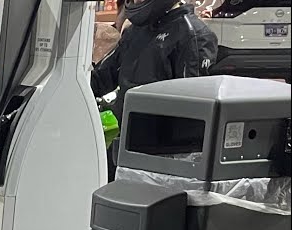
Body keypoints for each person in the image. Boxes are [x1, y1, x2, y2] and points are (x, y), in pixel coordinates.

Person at [92, 0, 218, 178]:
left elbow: (193, 113)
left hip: (165, 159)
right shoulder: (135, 33)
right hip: (126, 145)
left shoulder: (192, 35)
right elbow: (102, 77)